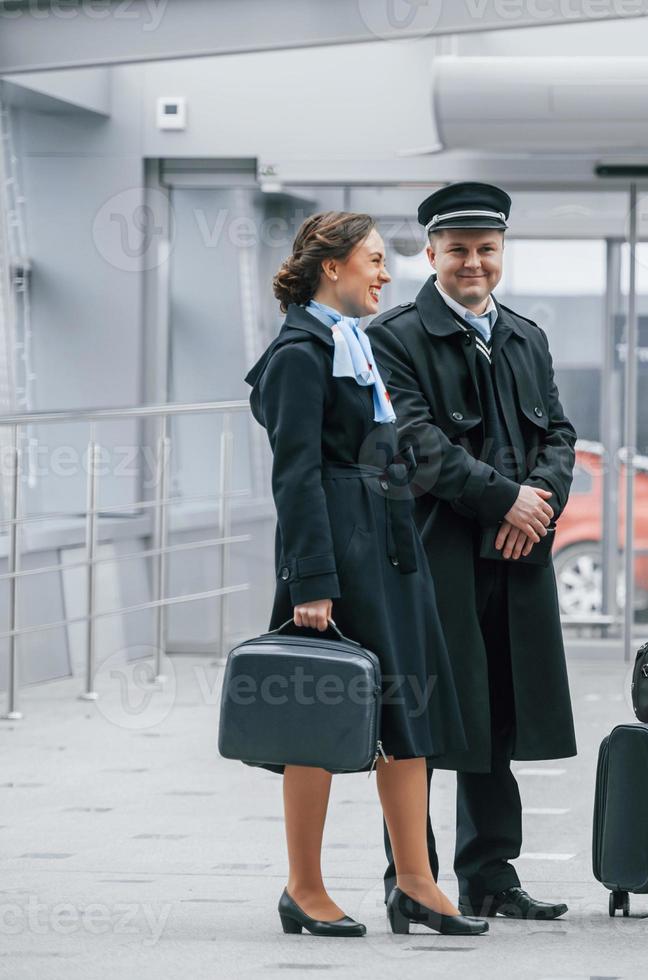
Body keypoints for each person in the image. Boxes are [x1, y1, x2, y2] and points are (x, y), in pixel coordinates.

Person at [244, 211, 486, 937]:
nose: (385, 274)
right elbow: (296, 476)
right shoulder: (298, 353)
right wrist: (312, 579)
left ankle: (416, 881)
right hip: (339, 557)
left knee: (407, 714)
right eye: (375, 261)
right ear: (332, 267)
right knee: (317, 719)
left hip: (388, 548)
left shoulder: (352, 342)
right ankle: (304, 888)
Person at [368, 182, 577, 922]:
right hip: (435, 559)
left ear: (501, 253)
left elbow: (559, 434)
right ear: (431, 253)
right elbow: (414, 442)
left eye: (486, 249)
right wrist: (505, 500)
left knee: (497, 721)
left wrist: (538, 503)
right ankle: (411, 882)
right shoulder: (392, 337)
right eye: (458, 250)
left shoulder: (526, 335)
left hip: (517, 558)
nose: (473, 263)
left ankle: (490, 874)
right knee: (422, 718)